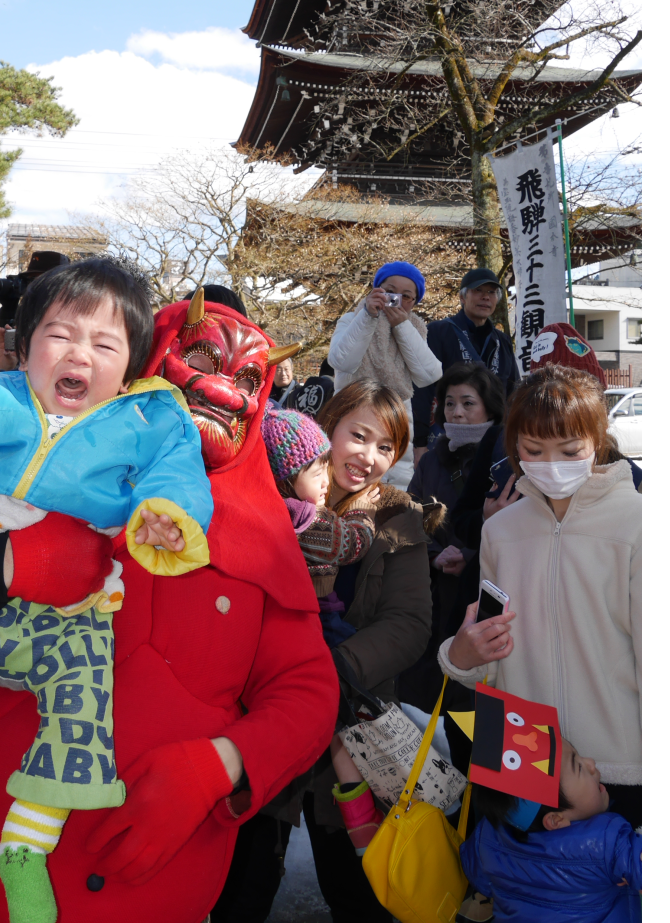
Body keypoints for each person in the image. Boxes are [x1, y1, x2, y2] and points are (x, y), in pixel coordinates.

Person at [0, 288, 336, 923]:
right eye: (196, 357)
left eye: (247, 377)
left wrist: (219, 766)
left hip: (153, 893)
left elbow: (307, 690)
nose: (219, 391)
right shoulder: (41, 456)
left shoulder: (266, 544)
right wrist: (7, 565)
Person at [0, 260, 214, 923]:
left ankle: (25, 851)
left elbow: (173, 471)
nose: (79, 353)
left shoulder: (147, 418)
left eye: (105, 344)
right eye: (59, 335)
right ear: (25, 345)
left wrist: (166, 516)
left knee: (84, 714)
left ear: (133, 365)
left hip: (72, 611)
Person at [241, 378, 435, 923]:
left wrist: (326, 673)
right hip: (267, 719)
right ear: (330, 425)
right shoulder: (276, 493)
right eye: (359, 436)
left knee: (357, 892)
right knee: (245, 882)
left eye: (386, 447)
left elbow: (409, 623)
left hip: (353, 731)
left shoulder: (398, 518)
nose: (368, 458)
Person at [439, 362, 642, 831]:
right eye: (534, 449)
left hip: (617, 766)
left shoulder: (633, 522)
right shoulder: (501, 530)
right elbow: (488, 656)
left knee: (612, 898)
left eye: (570, 450)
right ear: (513, 448)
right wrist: (461, 655)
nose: (552, 464)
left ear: (597, 441)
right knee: (523, 895)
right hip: (516, 763)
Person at [261, 406, 380, 852]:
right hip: (319, 626)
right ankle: (359, 810)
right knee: (350, 711)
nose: (327, 476)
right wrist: (366, 514)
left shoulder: (272, 511)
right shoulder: (304, 519)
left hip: (289, 630)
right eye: (315, 469)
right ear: (286, 478)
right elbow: (350, 544)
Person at [399, 361, 510, 708]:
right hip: (433, 587)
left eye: (468, 403)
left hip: (483, 587)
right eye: (449, 403)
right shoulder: (431, 461)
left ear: (489, 406)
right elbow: (410, 516)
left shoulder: (505, 458)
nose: (457, 412)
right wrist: (436, 554)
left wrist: (469, 555)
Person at [459, 731, 642, 923]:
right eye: (578, 767)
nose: (591, 763)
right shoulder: (605, 841)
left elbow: (476, 875)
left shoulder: (487, 835)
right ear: (555, 820)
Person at [325, 262, 443, 492]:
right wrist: (368, 316)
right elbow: (341, 361)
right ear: (375, 289)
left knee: (389, 498)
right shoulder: (352, 319)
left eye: (406, 296)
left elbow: (430, 374)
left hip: (393, 424)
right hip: (351, 415)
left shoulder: (415, 329)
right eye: (389, 291)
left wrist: (402, 326)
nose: (395, 299)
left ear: (414, 303)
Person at [409, 268, 518, 466]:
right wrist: (420, 443)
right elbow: (422, 390)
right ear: (462, 297)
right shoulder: (438, 332)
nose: (485, 297)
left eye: (492, 292)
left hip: (492, 442)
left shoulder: (501, 341)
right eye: (478, 291)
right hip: (446, 438)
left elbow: (513, 392)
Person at [0, 250, 69, 371]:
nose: (35, 289)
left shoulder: (74, 322)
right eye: (31, 281)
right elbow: (8, 370)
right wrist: (8, 309)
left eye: (43, 282)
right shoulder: (23, 316)